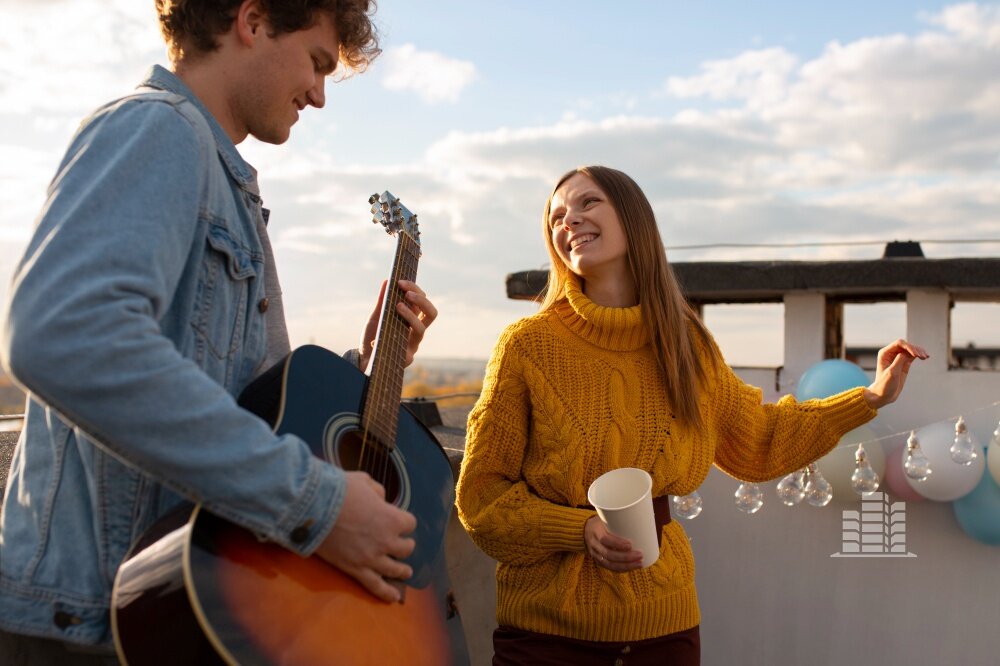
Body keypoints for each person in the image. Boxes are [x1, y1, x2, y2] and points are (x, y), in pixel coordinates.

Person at [0, 1, 438, 663]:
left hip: (170, 616)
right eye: (317, 63)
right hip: (92, 628)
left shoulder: (224, 181)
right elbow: (67, 333)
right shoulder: (158, 128)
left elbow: (254, 407)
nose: (320, 96)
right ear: (253, 21)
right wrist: (317, 502)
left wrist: (370, 365)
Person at [456, 165, 928, 665]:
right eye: (555, 217)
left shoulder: (686, 343)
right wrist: (580, 530)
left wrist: (869, 396)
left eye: (587, 203)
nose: (568, 220)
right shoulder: (527, 347)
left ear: (633, 217)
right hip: (546, 636)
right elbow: (481, 499)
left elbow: (758, 442)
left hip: (665, 629)